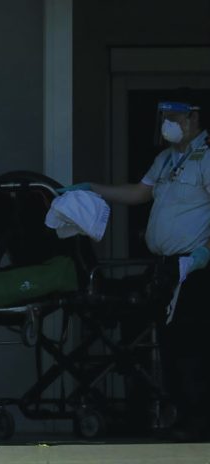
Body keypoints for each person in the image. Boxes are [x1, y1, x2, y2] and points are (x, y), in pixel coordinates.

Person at [59, 100, 210, 441]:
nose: (167, 123)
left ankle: (197, 421)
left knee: (190, 345)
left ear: (194, 118)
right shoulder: (167, 158)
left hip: (195, 267)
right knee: (162, 341)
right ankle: (163, 414)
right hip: (166, 266)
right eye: (165, 116)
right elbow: (140, 193)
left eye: (175, 117)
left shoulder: (207, 157)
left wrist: (204, 253)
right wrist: (93, 188)